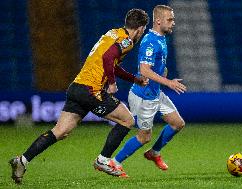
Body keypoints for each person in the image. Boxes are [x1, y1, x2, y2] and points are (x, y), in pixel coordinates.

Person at [9, 8, 149, 184]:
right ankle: (103, 160)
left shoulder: (113, 33)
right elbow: (107, 58)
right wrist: (112, 83)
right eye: (143, 29)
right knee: (127, 119)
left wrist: (135, 79)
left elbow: (109, 63)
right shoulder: (127, 41)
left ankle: (22, 160)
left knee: (60, 131)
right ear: (140, 28)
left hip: (77, 88)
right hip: (91, 90)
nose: (142, 33)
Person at [105, 5, 187, 178]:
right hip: (143, 96)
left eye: (173, 19)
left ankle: (154, 153)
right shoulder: (150, 41)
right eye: (170, 19)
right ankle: (115, 162)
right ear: (158, 21)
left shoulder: (161, 38)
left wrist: (162, 73)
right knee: (144, 136)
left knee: (177, 123)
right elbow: (144, 70)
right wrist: (168, 83)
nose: (173, 23)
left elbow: (156, 67)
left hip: (154, 92)